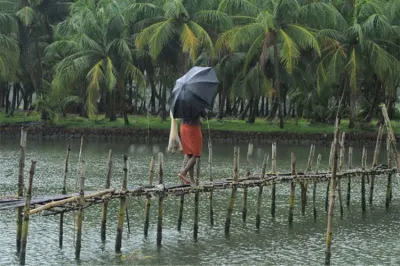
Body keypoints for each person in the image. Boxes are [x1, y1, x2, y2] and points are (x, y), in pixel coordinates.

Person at [178, 110, 207, 184]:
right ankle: (183, 173)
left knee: (189, 153)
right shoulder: (196, 102)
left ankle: (191, 180)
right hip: (193, 128)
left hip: (183, 127)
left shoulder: (182, 102)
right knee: (196, 154)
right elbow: (204, 114)